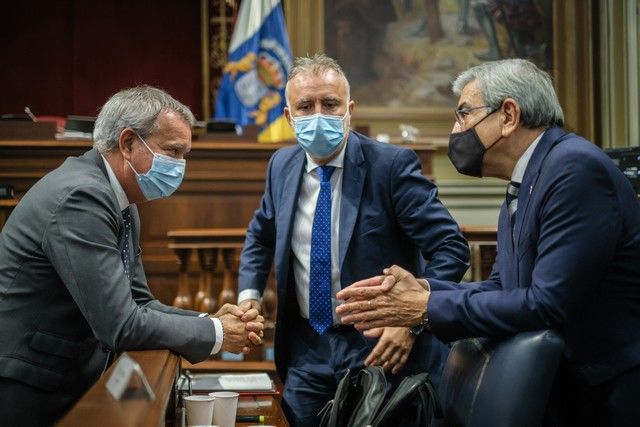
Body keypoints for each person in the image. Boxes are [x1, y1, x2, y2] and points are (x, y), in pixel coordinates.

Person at [336, 58, 640, 425]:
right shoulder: (527, 179)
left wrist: (425, 308)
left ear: (509, 115)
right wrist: (425, 288)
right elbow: (502, 286)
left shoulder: (573, 169)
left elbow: (547, 304)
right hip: (568, 389)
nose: (455, 128)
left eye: (464, 114)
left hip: (608, 394)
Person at [0, 86, 264, 425]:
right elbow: (121, 325)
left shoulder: (121, 202)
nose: (181, 166)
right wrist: (218, 333)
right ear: (127, 143)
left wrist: (207, 320)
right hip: (28, 385)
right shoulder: (83, 197)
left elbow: (140, 302)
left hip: (63, 376)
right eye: (173, 151)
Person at [237, 53, 470, 426]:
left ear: (349, 109)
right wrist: (248, 297)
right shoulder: (280, 166)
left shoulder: (391, 166)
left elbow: (450, 248)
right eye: (305, 106)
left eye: (330, 104)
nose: (318, 115)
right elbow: (260, 236)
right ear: (288, 117)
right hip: (306, 350)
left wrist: (411, 319)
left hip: (381, 348)